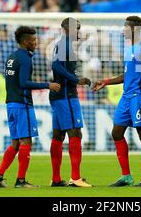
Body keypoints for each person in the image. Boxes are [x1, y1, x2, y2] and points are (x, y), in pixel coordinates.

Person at [0, 26, 61, 188]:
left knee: (16, 143)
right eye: (33, 40)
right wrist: (47, 85)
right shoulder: (25, 59)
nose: (36, 43)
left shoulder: (11, 57)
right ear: (25, 42)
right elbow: (23, 83)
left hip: (11, 104)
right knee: (26, 141)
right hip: (22, 105)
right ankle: (21, 181)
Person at [92, 16, 141, 187]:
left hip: (138, 97)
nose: (123, 30)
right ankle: (126, 176)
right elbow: (127, 75)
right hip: (126, 97)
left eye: (126, 27)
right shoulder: (130, 49)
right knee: (117, 133)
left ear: (135, 29)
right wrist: (105, 81)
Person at [49, 17, 92, 187]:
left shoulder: (63, 44)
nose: (79, 32)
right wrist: (76, 79)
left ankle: (56, 179)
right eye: (77, 28)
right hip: (67, 95)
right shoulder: (65, 44)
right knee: (75, 133)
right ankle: (75, 178)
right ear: (68, 28)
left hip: (59, 96)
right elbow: (56, 66)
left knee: (58, 136)